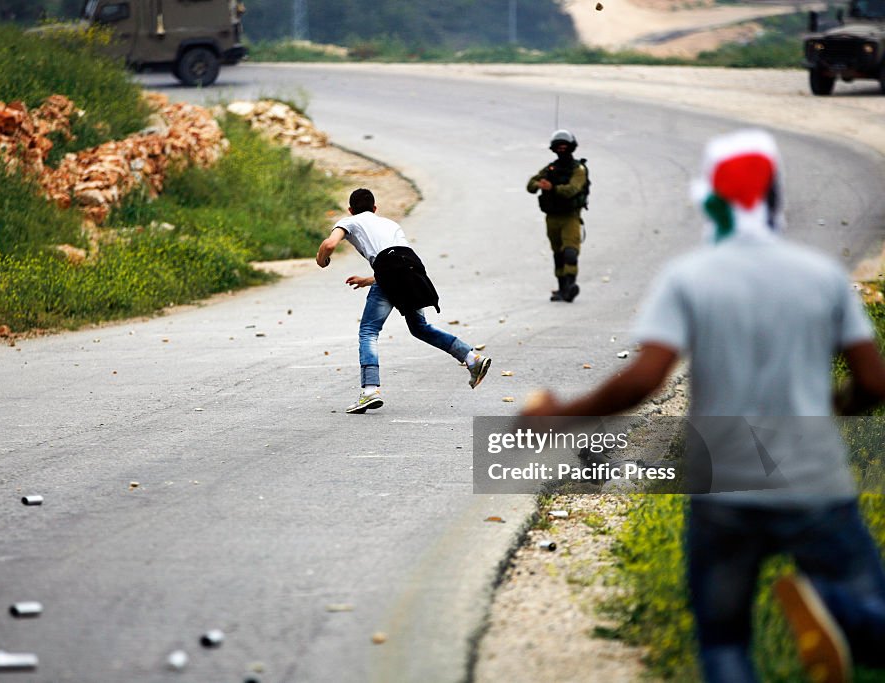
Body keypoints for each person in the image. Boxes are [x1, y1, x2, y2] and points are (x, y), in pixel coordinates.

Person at [521, 129, 885, 683]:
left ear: (710, 200)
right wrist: (831, 404)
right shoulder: (823, 278)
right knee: (875, 616)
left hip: (725, 488)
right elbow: (873, 383)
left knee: (723, 643)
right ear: (777, 198)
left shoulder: (690, 278)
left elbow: (645, 377)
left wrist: (563, 416)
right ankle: (847, 614)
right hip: (816, 480)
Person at [316, 188, 491, 414]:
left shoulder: (350, 221)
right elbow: (398, 258)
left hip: (390, 270)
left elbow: (329, 245)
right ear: (375, 208)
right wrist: (371, 280)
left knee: (369, 330)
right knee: (420, 327)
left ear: (350, 210)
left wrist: (321, 260)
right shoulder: (390, 224)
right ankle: (471, 357)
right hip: (412, 267)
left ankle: (370, 391)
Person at [526, 129, 589, 303]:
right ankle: (561, 288)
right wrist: (540, 183)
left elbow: (572, 190)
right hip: (552, 217)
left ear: (571, 147)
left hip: (570, 217)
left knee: (570, 252)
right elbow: (530, 185)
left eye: (565, 146)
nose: (562, 150)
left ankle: (570, 286)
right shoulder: (550, 168)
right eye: (558, 147)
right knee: (558, 254)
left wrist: (551, 188)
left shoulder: (578, 169)